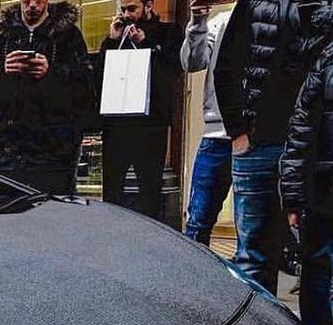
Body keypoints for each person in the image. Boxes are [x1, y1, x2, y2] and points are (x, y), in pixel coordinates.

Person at [215, 0, 314, 294]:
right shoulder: (254, 4)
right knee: (254, 254)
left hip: (310, 145)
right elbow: (226, 67)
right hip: (257, 143)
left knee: (316, 255)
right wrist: (238, 132)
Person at [0, 0, 94, 193]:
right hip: (7, 146)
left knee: (53, 213)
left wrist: (51, 72)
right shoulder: (1, 34)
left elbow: (86, 86)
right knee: (8, 211)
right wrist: (3, 70)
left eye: (37, 0)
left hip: (52, 147)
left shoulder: (68, 35)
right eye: (27, 0)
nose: (32, 5)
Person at [280, 4, 333, 325]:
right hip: (322, 186)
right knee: (317, 272)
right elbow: (301, 130)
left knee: (317, 272)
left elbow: (300, 130)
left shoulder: (320, 57)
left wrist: (294, 195)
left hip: (320, 186)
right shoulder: (321, 58)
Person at [99, 0, 183, 219]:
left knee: (150, 187)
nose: (127, 15)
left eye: (132, 9)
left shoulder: (169, 32)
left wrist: (147, 43)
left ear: (148, 6)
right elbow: (100, 75)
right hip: (116, 123)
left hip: (151, 123)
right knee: (112, 187)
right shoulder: (117, 37)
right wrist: (111, 41)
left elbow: (173, 70)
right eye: (123, 9)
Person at [180, 0, 232, 245]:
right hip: (217, 134)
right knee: (198, 221)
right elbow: (191, 63)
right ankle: (190, 278)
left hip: (262, 137)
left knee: (256, 228)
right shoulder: (220, 21)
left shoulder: (281, 19)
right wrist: (198, 19)